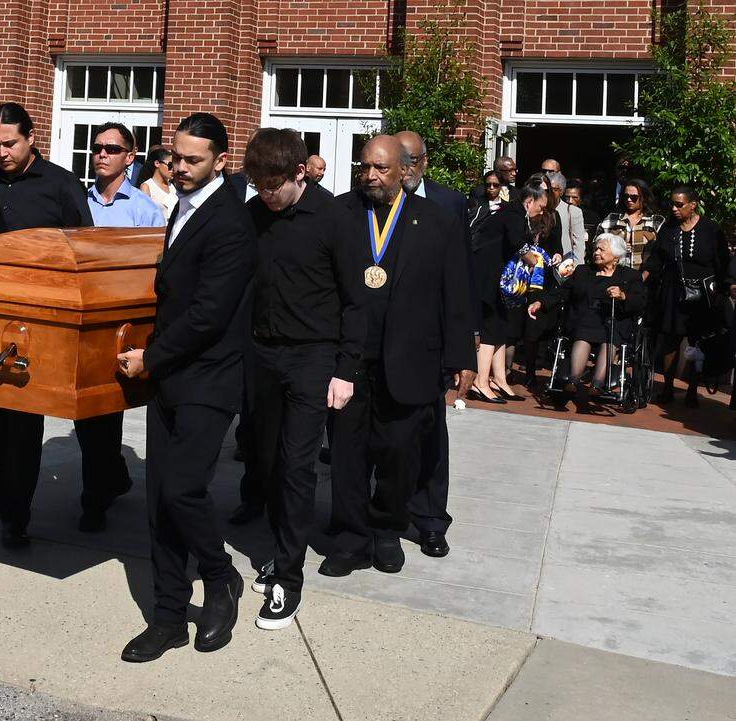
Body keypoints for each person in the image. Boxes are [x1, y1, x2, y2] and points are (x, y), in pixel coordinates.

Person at [116, 113, 255, 662]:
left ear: (222, 161)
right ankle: (169, 616)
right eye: (175, 157)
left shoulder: (230, 221)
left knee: (181, 490)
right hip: (173, 376)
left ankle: (220, 578)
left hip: (210, 377)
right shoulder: (183, 207)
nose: (179, 168)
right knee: (158, 503)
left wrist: (150, 357)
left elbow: (209, 314)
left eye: (193, 160)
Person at [0, 102, 132, 543]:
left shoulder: (60, 185)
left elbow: (85, 249)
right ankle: (2, 493)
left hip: (45, 318)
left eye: (10, 144)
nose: (1, 152)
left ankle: (35, 513)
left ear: (31, 138)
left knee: (30, 422)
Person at [328, 135, 475, 576]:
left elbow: (456, 293)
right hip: (350, 360)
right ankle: (352, 538)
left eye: (381, 169)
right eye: (365, 167)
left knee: (398, 453)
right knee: (347, 456)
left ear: (404, 172)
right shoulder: (340, 213)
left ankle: (387, 529)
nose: (370, 176)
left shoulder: (435, 221)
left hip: (411, 361)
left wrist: (461, 355)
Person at [241, 128, 362, 628]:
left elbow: (357, 300)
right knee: (265, 461)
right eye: (258, 187)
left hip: (313, 358)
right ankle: (278, 545)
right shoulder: (251, 215)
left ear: (299, 173)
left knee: (297, 466)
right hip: (261, 355)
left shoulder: (334, 219)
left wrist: (346, 369)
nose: (266, 196)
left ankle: (288, 579)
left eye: (274, 187)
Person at [395, 130, 473, 558]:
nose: (403, 169)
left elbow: (459, 281)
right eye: (396, 159)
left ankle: (429, 521)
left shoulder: (449, 203)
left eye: (410, 160)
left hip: (429, 345)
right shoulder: (369, 200)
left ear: (424, 161)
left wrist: (462, 349)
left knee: (429, 438)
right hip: (381, 344)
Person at [528, 234, 646, 394]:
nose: (596, 252)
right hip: (585, 318)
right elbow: (563, 291)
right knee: (583, 333)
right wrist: (541, 302)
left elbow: (641, 301)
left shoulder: (630, 276)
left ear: (616, 256)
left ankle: (596, 384)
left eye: (602, 250)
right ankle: (574, 380)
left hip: (614, 320)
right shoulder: (583, 271)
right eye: (595, 249)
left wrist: (623, 296)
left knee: (610, 337)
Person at [644, 187, 730, 407]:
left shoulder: (711, 230)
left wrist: (722, 290)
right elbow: (656, 260)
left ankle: (692, 389)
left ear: (693, 204)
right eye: (672, 204)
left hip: (703, 294)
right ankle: (668, 387)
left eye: (679, 204)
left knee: (697, 342)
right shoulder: (669, 229)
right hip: (674, 291)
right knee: (671, 340)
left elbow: (722, 263)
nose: (674, 209)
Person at [470, 175, 551, 403]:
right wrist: (536, 260)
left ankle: (499, 380)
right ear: (529, 202)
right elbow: (518, 243)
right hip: (487, 277)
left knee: (501, 325)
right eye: (541, 207)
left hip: (496, 277)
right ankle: (481, 381)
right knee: (491, 326)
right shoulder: (514, 214)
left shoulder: (515, 213)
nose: (542, 212)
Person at [509, 174, 563, 391]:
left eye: (545, 189)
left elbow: (557, 245)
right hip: (518, 274)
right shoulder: (519, 214)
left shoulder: (552, 216)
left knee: (533, 327)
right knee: (513, 324)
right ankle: (505, 369)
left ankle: (530, 372)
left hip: (541, 279)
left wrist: (558, 255)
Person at [87, 122, 165, 228]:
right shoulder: (81, 202)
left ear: (129, 158)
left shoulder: (147, 209)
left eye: (112, 149)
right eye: (97, 148)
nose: (102, 154)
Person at [598, 178, 664, 268]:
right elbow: (597, 244)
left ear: (644, 197)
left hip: (646, 276)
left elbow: (662, 252)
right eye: (626, 196)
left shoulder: (656, 221)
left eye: (634, 197)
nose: (629, 200)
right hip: (616, 275)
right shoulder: (612, 219)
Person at [547, 170, 587, 263]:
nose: (548, 192)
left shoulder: (573, 211)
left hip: (564, 266)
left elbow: (579, 244)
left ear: (561, 191)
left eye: (553, 189)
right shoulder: (538, 209)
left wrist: (577, 269)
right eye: (546, 189)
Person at [137, 145, 178, 222]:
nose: (172, 169)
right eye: (170, 165)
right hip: (157, 231)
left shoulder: (173, 186)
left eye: (174, 166)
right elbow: (145, 217)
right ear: (157, 163)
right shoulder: (146, 187)